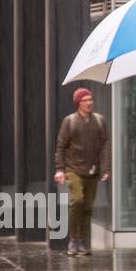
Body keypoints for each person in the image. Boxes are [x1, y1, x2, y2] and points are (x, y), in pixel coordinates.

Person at [55, 87, 110, 256]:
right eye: (85, 100)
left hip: (92, 170)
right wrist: (60, 170)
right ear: (78, 103)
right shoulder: (70, 121)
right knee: (77, 200)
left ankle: (82, 241)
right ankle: (73, 240)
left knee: (88, 207)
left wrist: (105, 168)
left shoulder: (99, 121)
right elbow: (61, 146)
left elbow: (105, 146)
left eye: (90, 99)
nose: (89, 102)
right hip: (73, 169)